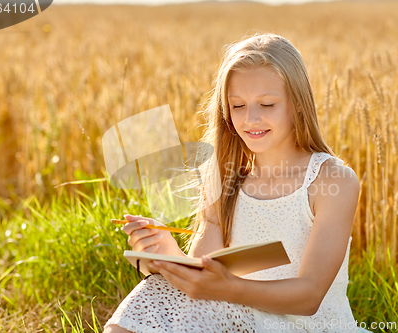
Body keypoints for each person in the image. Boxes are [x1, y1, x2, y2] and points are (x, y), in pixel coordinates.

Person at [104, 32, 371, 333]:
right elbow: (203, 280)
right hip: (235, 314)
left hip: (307, 327)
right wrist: (166, 256)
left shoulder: (332, 180)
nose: (250, 119)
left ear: (298, 103)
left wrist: (228, 289)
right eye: (238, 106)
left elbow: (308, 296)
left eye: (267, 104)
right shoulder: (224, 177)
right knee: (153, 292)